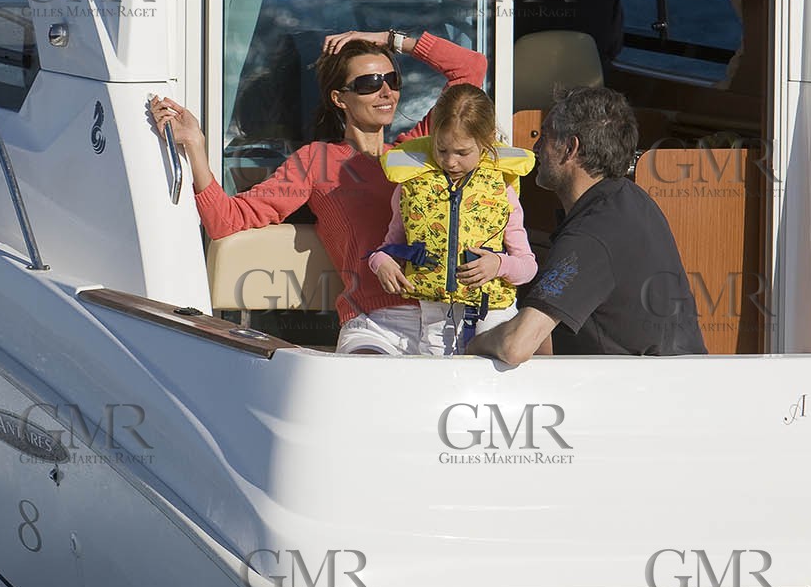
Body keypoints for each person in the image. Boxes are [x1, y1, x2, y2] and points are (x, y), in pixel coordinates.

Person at [149, 28, 487, 353]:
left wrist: (387, 39)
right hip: (373, 323)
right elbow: (225, 220)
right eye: (369, 83)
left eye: (392, 80)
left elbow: (470, 68)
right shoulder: (317, 161)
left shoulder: (418, 150)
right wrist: (195, 145)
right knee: (370, 382)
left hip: (444, 319)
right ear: (339, 98)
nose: (386, 92)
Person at [467, 86, 706, 363]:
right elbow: (552, 335)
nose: (535, 148)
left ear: (571, 148)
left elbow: (515, 346)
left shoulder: (592, 234)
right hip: (676, 378)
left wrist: (472, 345)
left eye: (544, 137)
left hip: (646, 387)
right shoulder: (630, 200)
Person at [367, 84, 536, 355]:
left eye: (462, 152)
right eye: (442, 149)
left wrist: (498, 264)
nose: (450, 162)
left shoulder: (502, 190)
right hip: (436, 321)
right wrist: (381, 263)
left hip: (493, 317)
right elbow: (388, 247)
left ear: (486, 141)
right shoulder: (411, 185)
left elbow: (528, 267)